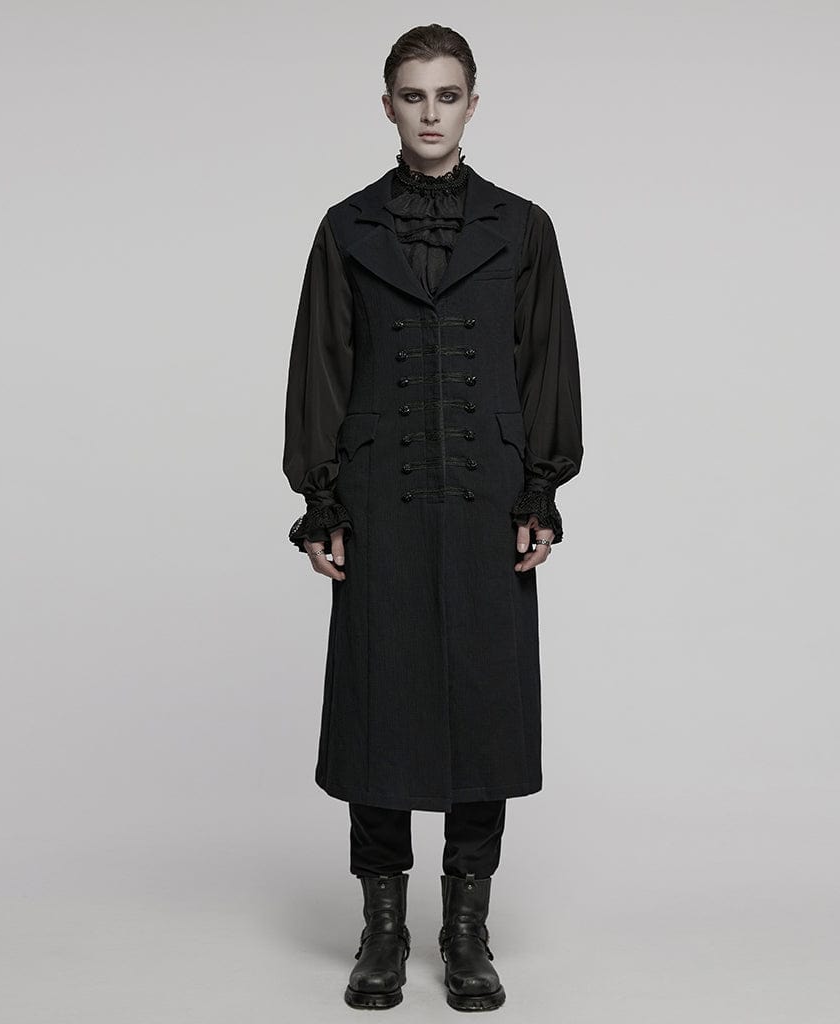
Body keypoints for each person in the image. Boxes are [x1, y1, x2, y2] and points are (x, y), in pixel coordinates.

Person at [282, 23, 583, 1012]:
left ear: (471, 104)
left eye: (446, 95)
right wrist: (320, 498)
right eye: (412, 95)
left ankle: (465, 932)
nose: (429, 113)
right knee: (379, 702)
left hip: (490, 496)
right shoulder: (346, 227)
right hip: (379, 498)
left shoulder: (522, 227)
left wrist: (541, 489)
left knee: (483, 704)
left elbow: (547, 361)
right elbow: (320, 366)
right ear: (387, 105)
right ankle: (380, 931)